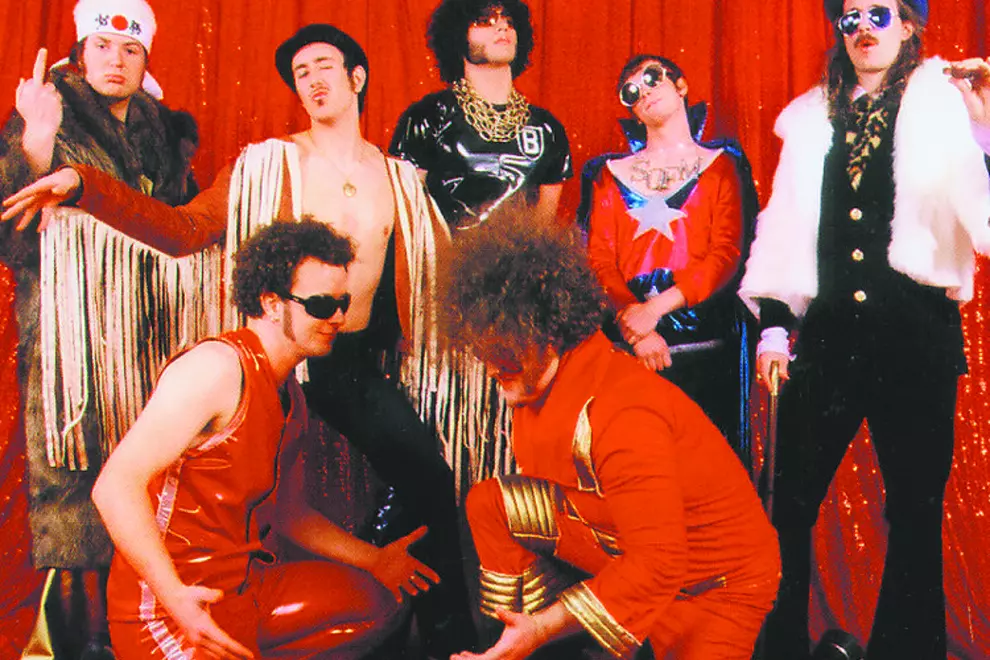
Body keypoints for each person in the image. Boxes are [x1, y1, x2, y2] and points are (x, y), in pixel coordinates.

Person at [3, 22, 477, 656]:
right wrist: (84, 185)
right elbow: (181, 230)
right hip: (285, 357)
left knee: (420, 477)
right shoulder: (265, 165)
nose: (312, 81)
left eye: (324, 66)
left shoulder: (399, 180)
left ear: (357, 77)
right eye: (300, 73)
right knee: (324, 482)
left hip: (355, 360)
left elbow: (426, 281)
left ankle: (434, 632)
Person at [737, 1, 990, 658]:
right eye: (850, 19)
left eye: (879, 13)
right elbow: (785, 229)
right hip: (829, 340)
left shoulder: (944, 108)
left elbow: (984, 219)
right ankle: (778, 649)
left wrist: (986, 129)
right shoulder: (811, 119)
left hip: (916, 339)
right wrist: (774, 328)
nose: (864, 29)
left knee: (914, 512)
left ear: (908, 24)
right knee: (787, 503)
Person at [91, 220, 435, 659]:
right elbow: (114, 487)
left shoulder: (290, 394)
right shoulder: (216, 368)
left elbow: (290, 512)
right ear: (272, 304)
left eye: (342, 303)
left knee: (379, 602)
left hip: (245, 588)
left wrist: (376, 559)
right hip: (170, 608)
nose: (338, 318)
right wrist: (174, 596)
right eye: (321, 305)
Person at [440, 217, 779, 660]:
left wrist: (543, 628)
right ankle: (505, 646)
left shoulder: (621, 412)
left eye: (503, 351)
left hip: (717, 585)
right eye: (483, 350)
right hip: (634, 549)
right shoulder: (547, 383)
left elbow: (660, 563)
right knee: (491, 504)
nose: (490, 367)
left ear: (549, 334)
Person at [0, 0, 200, 653]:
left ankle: (139, 632)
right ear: (81, 52)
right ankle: (66, 644)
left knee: (148, 474)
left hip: (152, 329)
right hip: (69, 334)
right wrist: (35, 142)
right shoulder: (47, 112)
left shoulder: (163, 130)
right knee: (72, 486)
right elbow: (12, 239)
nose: (117, 60)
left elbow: (182, 228)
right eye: (104, 47)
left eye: (131, 49)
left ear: (146, 59)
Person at [580, 55, 758, 464]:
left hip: (703, 340)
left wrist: (654, 310)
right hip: (630, 342)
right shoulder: (608, 174)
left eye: (652, 77)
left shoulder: (722, 166)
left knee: (706, 465)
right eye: (631, 91)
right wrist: (636, 329)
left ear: (681, 86)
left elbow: (726, 255)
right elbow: (599, 260)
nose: (643, 91)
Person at [390, 0, 572, 230]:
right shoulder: (427, 117)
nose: (502, 27)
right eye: (485, 21)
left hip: (519, 253)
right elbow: (408, 222)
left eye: (509, 21)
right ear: (458, 35)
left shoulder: (547, 129)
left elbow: (543, 230)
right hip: (446, 252)